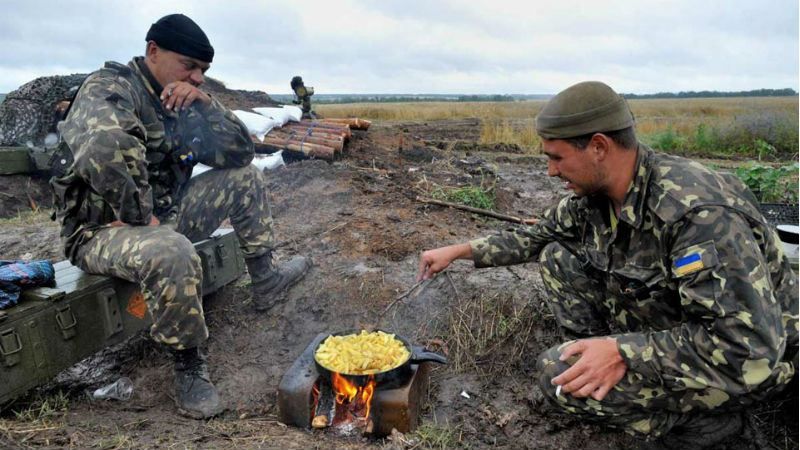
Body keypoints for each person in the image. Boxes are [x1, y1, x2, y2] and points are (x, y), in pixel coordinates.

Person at [417, 81, 798, 448]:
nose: (551, 171)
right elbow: (537, 238)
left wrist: (624, 352)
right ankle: (598, 359)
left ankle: (702, 424)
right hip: (683, 326)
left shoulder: (697, 214)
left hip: (751, 365)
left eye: (556, 157)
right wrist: (458, 250)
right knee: (558, 256)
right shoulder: (595, 197)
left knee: (557, 377)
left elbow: (747, 346)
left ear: (598, 146)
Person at [50, 14, 312, 419]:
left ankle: (265, 280)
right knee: (172, 249)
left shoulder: (182, 100)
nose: (197, 77)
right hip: (102, 230)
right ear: (153, 51)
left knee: (244, 178)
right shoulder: (111, 89)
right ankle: (188, 365)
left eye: (203, 70)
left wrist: (209, 107)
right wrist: (140, 217)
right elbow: (105, 149)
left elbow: (240, 154)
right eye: (188, 66)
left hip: (161, 216)